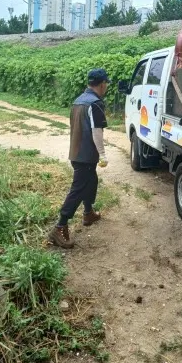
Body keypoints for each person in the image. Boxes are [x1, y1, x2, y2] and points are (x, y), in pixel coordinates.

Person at [49, 68, 110, 248]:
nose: (106, 86)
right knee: (78, 189)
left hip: (76, 152)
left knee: (91, 182)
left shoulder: (78, 101)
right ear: (102, 84)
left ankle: (88, 213)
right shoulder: (95, 103)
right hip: (86, 155)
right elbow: (97, 132)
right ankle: (59, 227)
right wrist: (103, 154)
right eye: (106, 83)